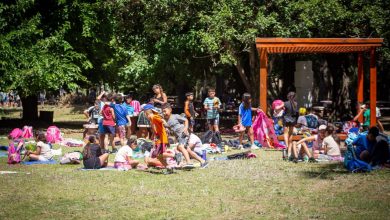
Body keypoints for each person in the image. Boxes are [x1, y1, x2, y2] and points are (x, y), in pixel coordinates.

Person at [162, 103, 208, 168]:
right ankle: (203, 161)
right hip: (179, 137)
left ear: (170, 110)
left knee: (180, 147)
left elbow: (186, 120)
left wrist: (186, 128)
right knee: (187, 150)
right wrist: (166, 127)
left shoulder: (175, 116)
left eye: (165, 111)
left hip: (184, 134)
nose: (164, 113)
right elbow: (171, 130)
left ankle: (189, 163)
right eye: (162, 111)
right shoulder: (166, 120)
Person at [143, 104, 173, 169]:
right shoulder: (152, 119)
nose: (144, 115)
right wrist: (153, 138)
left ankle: (174, 155)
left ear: (147, 112)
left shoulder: (153, 116)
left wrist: (165, 123)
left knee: (157, 154)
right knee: (158, 156)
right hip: (159, 139)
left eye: (144, 113)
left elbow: (160, 119)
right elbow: (156, 130)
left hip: (161, 139)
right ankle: (168, 167)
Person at [284, 92, 298, 158]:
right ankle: (289, 146)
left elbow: (283, 110)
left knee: (285, 133)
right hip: (293, 119)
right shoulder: (296, 103)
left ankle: (286, 146)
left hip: (286, 119)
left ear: (288, 96)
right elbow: (296, 112)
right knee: (291, 134)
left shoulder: (285, 103)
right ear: (294, 97)